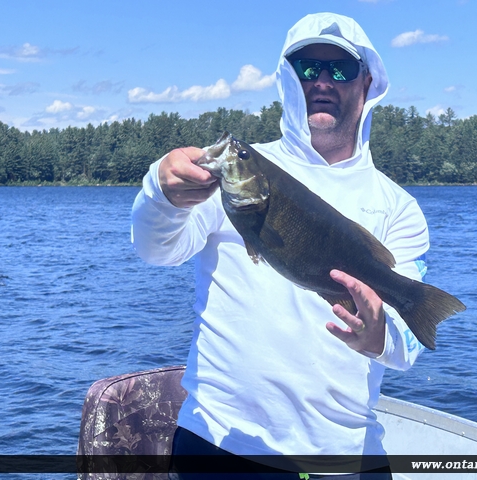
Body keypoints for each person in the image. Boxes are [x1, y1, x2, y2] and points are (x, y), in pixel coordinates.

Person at [131, 12, 430, 480]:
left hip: (345, 455)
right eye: (308, 68)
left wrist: (379, 337)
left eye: (341, 69)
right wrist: (162, 192)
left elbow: (407, 342)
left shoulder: (398, 206)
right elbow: (156, 249)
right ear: (287, 79)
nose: (323, 81)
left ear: (367, 81)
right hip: (217, 443)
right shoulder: (235, 177)